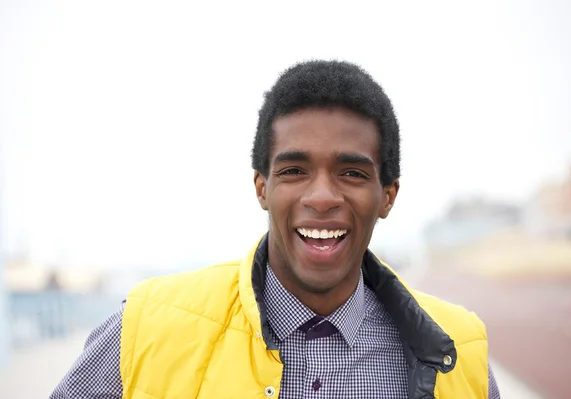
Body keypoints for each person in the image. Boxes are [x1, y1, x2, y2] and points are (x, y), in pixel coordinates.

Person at [50, 60, 501, 398]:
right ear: (262, 188)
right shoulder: (145, 327)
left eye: (352, 173)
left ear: (387, 196)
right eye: (294, 171)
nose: (321, 197)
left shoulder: (460, 352)